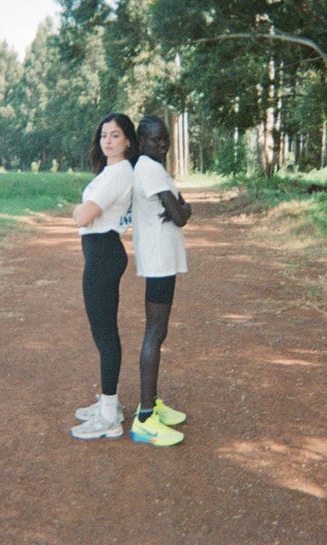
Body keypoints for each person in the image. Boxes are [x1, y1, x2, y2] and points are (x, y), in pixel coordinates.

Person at [70, 113, 139, 440]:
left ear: (127, 140)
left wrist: (77, 213)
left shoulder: (118, 173)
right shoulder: (113, 171)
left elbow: (82, 215)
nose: (108, 141)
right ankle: (108, 404)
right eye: (103, 136)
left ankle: (110, 413)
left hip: (103, 252)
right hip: (100, 251)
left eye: (115, 135)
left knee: (105, 333)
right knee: (103, 332)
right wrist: (81, 216)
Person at [129, 115, 192, 447]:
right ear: (142, 142)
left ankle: (150, 402)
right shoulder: (150, 168)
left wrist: (182, 208)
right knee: (154, 331)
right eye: (155, 139)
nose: (162, 144)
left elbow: (179, 210)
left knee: (159, 330)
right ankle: (145, 419)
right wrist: (183, 209)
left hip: (163, 259)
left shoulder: (154, 167)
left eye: (165, 138)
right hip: (158, 260)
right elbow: (179, 216)